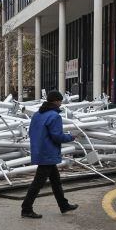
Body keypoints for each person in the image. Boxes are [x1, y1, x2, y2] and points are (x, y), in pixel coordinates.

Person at [21, 90, 78, 219]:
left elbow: (31, 133)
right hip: (48, 153)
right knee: (38, 183)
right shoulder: (54, 116)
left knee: (56, 181)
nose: (61, 103)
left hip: (40, 151)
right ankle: (26, 208)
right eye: (60, 100)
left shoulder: (37, 114)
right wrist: (71, 137)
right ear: (57, 101)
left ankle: (64, 205)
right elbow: (57, 136)